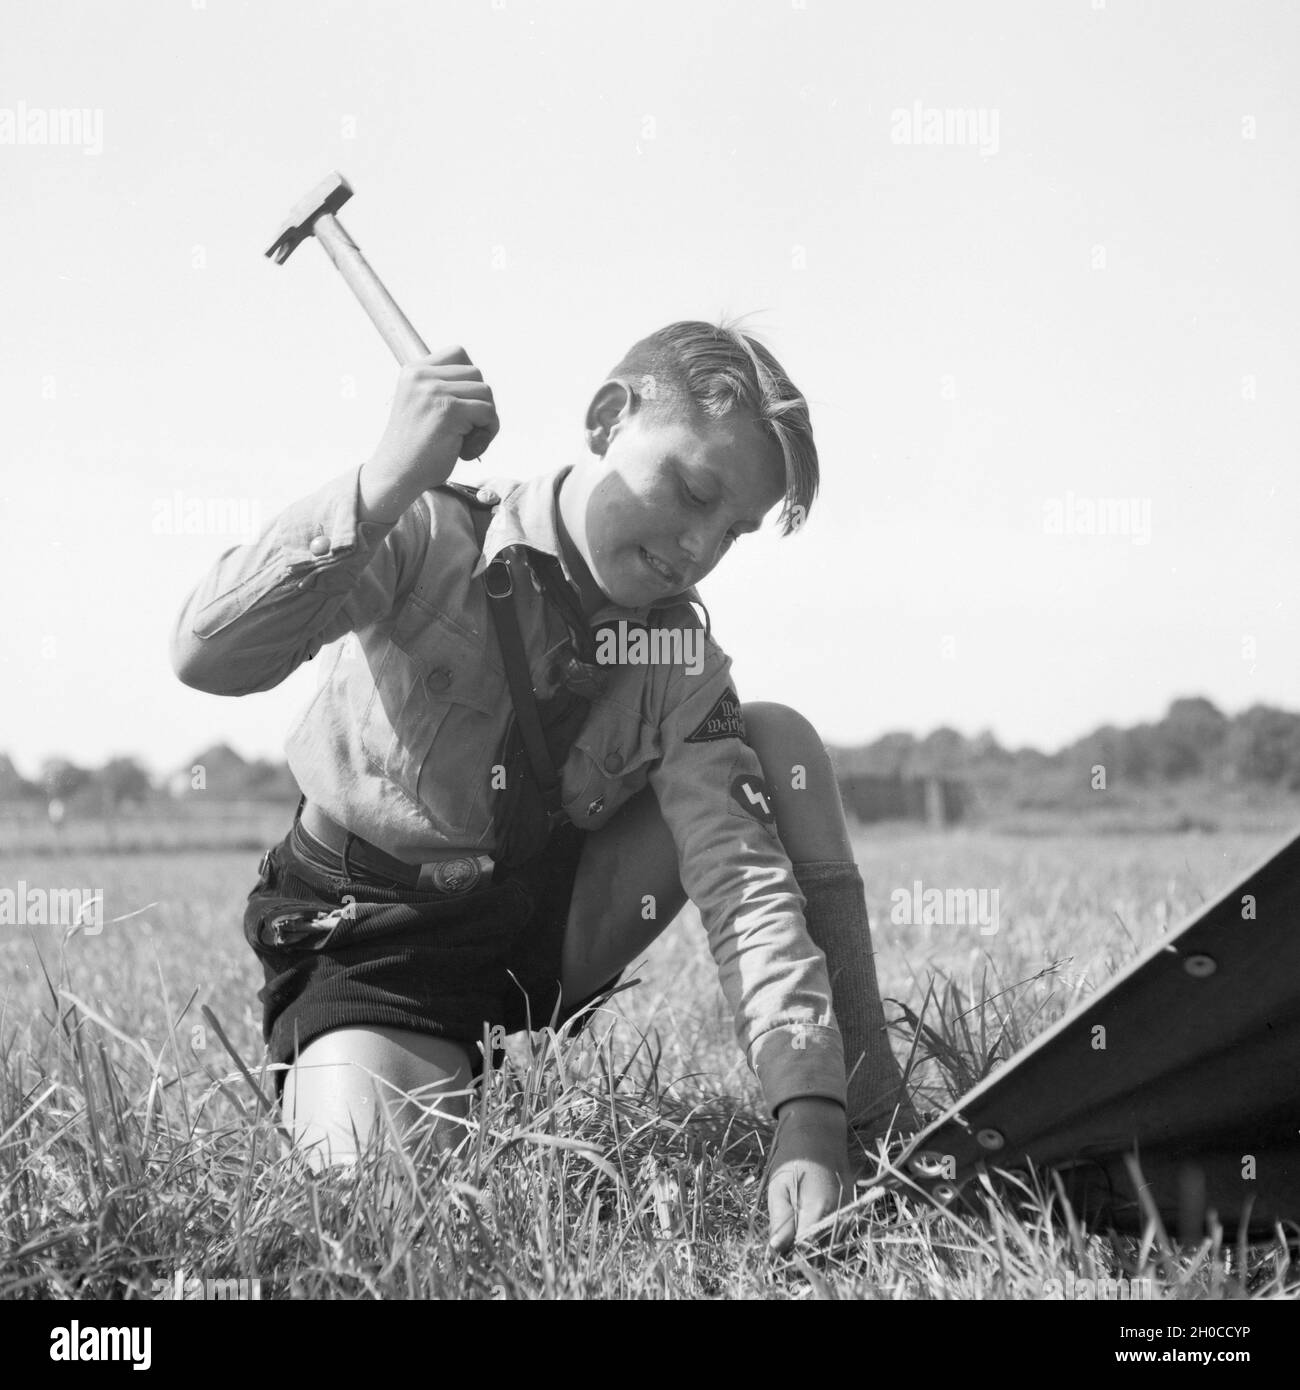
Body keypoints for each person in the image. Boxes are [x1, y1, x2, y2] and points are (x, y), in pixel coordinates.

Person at [170, 319, 916, 1253]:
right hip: (379, 942)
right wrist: (384, 478)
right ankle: (398, 1068)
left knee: (776, 741)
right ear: (608, 418)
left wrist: (809, 1112)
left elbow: (743, 880)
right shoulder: (428, 531)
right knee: (381, 1213)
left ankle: (876, 1114)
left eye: (732, 531)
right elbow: (209, 655)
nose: (698, 546)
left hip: (540, 928)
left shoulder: (678, 653)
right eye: (693, 492)